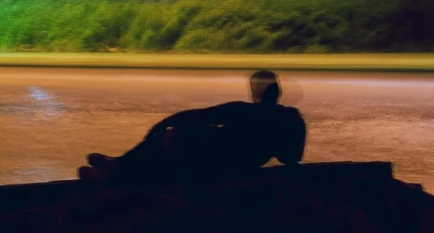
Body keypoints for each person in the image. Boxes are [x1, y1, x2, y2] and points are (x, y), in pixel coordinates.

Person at [78, 69, 305, 185]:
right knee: (172, 141)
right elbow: (291, 158)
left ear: (257, 91)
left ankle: (117, 169)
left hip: (216, 159)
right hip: (235, 161)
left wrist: (162, 124)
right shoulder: (290, 117)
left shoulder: (243, 110)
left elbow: (200, 115)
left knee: (168, 141)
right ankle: (118, 165)